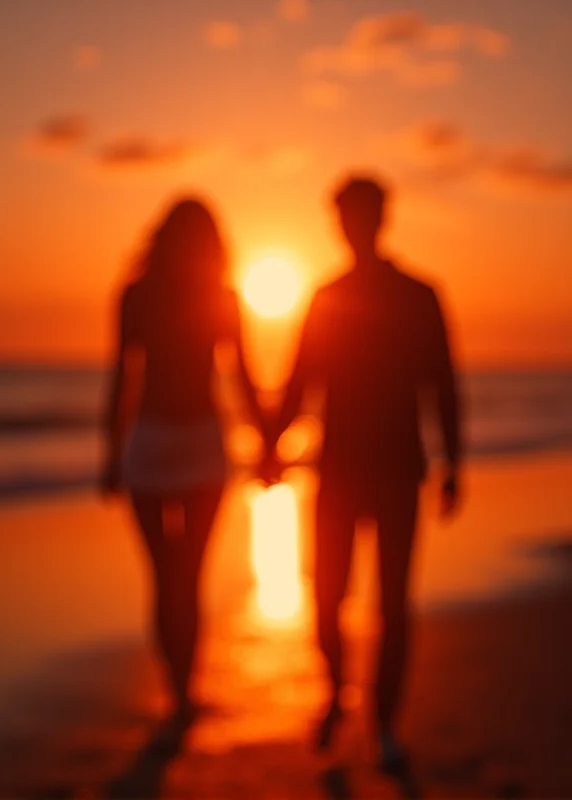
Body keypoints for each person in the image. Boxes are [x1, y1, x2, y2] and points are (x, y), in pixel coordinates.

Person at [261, 175, 462, 770]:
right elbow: (301, 380)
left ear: (379, 219)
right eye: (344, 216)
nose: (350, 226)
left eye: (358, 215)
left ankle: (385, 726)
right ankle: (337, 692)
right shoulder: (327, 297)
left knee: (394, 603)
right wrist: (271, 447)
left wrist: (455, 463)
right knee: (327, 596)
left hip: (400, 467)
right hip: (340, 469)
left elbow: (443, 384)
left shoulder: (419, 294)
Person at [102, 197, 265, 750]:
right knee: (186, 578)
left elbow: (120, 379)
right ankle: (182, 691)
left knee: (162, 577)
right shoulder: (219, 298)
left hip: (151, 445)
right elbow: (243, 378)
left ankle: (177, 690)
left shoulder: (137, 296)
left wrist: (110, 453)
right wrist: (266, 439)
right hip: (196, 442)